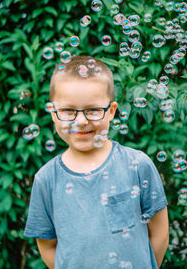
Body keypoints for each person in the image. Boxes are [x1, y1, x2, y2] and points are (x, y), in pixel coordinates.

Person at [24, 55, 169, 269]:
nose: (81, 121)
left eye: (93, 110)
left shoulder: (137, 165)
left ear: (111, 111)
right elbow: (47, 247)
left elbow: (159, 232)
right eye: (68, 111)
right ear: (53, 113)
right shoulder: (46, 179)